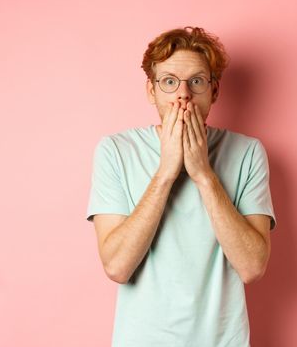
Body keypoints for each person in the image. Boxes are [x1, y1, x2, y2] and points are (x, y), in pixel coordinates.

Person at [86, 26, 277, 347]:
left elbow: (252, 267)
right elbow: (117, 266)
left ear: (214, 91)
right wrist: (166, 172)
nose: (183, 94)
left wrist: (203, 173)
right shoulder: (116, 151)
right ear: (152, 91)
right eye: (170, 81)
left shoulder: (247, 153)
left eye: (197, 82)